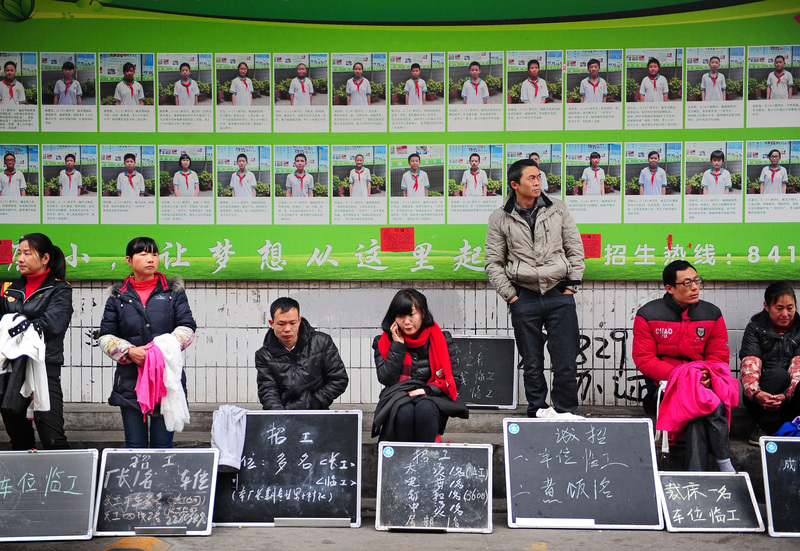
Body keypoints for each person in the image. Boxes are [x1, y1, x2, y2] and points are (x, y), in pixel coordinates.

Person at [484, 159, 585, 418]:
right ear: (514, 184)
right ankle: (538, 411)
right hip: (524, 296)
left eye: (538, 176)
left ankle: (565, 413)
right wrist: (512, 297)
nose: (537, 181)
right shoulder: (500, 218)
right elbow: (493, 263)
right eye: (531, 178)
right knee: (532, 363)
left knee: (565, 362)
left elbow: (575, 249)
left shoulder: (558, 210)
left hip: (559, 293)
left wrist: (571, 287)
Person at [632, 260, 737, 472]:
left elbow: (718, 357)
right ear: (669, 288)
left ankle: (695, 475)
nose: (695, 287)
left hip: (703, 383)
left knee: (698, 411)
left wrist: (707, 374)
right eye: (687, 282)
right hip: (665, 389)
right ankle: (724, 464)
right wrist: (685, 377)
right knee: (706, 404)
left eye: (697, 280)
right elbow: (645, 359)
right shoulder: (648, 315)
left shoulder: (712, 314)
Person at [98, 237, 196, 448]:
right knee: (135, 446)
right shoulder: (118, 297)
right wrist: (129, 352)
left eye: (154, 254)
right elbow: (106, 336)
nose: (150, 259)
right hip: (130, 380)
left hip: (165, 378)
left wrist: (159, 351)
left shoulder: (173, 293)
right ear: (129, 260)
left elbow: (187, 327)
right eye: (143, 254)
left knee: (163, 447)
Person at [0, 233, 72, 450]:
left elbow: (51, 325)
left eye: (27, 253)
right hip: (11, 368)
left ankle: (65, 482)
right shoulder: (7, 289)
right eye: (19, 253)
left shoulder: (60, 289)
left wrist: (12, 324)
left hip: (45, 367)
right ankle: (24, 482)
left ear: (45, 258)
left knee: (52, 435)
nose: (20, 258)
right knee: (16, 429)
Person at [372, 289, 467, 442]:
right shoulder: (383, 342)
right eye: (401, 316)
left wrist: (426, 390)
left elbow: (454, 380)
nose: (407, 321)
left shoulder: (441, 339)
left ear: (423, 313)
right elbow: (386, 379)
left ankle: (426, 460)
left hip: (431, 397)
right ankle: (402, 461)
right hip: (397, 397)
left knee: (425, 407)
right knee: (404, 410)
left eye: (411, 315)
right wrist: (398, 346)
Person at [255, 297, 348, 410]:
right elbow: (268, 390)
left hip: (315, 412)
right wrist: (280, 415)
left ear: (299, 321)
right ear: (272, 323)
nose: (287, 329)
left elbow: (339, 379)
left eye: (292, 323)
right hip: (281, 415)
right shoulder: (264, 355)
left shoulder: (321, 342)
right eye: (281, 324)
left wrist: (313, 403)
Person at [739, 282, 800, 445]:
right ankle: (762, 426)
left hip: (791, 397)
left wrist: (786, 396)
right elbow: (749, 365)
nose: (785, 313)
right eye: (779, 308)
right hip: (762, 396)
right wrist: (756, 393)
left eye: (790, 307)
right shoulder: (755, 328)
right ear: (767, 306)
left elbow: (798, 369)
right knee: (777, 375)